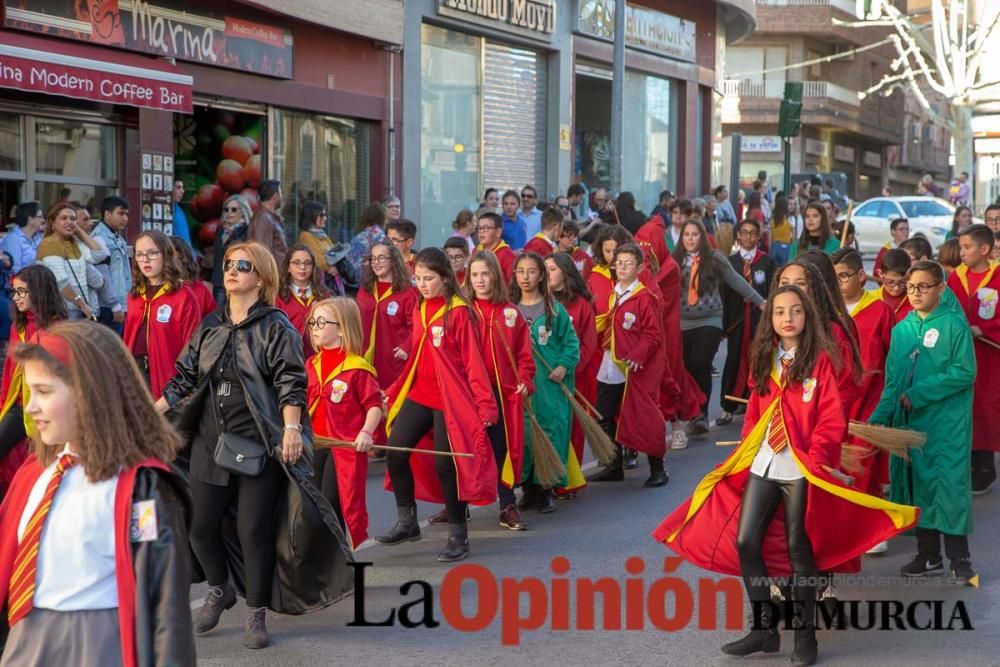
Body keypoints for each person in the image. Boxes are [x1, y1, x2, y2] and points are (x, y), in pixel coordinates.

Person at [653, 285, 918, 667]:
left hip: (801, 467)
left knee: (800, 550)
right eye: (779, 312)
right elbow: (756, 411)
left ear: (807, 316)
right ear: (771, 320)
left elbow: (831, 415)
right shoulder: (765, 358)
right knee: (746, 542)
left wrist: (820, 456)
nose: (787, 318)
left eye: (795, 311)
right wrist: (746, 447)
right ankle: (764, 629)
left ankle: (805, 636)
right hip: (764, 462)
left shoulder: (819, 362)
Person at [158, 241, 353, 650]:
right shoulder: (211, 326)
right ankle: (219, 589)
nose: (231, 271)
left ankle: (256, 613)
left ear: (261, 277)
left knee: (253, 531)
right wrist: (149, 415)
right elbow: (183, 379)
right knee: (200, 528)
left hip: (260, 443)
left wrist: (291, 430)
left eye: (242, 266)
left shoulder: (275, 325)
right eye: (228, 264)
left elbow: (290, 382)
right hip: (210, 443)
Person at [0, 321, 195, 665]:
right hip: (24, 641)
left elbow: (167, 609)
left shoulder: (141, 488)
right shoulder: (32, 475)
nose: (30, 407)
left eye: (44, 392)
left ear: (90, 392)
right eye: (30, 393)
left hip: (98, 644)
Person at [376, 248, 498, 562]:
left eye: (429, 279)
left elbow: (474, 364)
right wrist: (395, 388)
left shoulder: (459, 312)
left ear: (445, 279)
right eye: (418, 279)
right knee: (396, 450)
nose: (422, 284)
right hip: (420, 393)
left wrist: (486, 407)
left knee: (447, 465)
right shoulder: (419, 307)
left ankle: (459, 535)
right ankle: (407, 521)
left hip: (451, 399)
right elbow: (418, 355)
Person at [870, 260, 977, 585]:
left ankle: (960, 559)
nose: (915, 293)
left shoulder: (953, 326)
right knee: (917, 487)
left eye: (923, 287)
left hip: (946, 426)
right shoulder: (902, 329)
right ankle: (927, 554)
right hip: (910, 426)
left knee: (948, 488)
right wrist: (877, 419)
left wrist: (921, 393)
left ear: (940, 289)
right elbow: (892, 382)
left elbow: (964, 372)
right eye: (911, 286)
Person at [585, 243, 668, 488]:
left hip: (634, 368)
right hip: (611, 363)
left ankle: (658, 468)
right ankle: (613, 464)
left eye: (628, 263)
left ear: (640, 267)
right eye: (618, 262)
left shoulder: (644, 298)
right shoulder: (614, 293)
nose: (621, 267)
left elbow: (653, 334)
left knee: (645, 417)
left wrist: (638, 355)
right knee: (604, 413)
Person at [305, 297, 382, 549]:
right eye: (312, 322)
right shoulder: (311, 365)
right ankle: (325, 561)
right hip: (316, 444)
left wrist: (366, 432)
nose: (314, 327)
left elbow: (374, 406)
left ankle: (338, 561)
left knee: (333, 503)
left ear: (341, 328)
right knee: (313, 503)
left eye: (321, 322)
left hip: (345, 448)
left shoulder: (357, 368)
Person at [675, 220, 765, 434]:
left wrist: (760, 301)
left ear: (702, 237)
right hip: (683, 322)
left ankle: (702, 414)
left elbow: (736, 280)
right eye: (686, 234)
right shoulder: (674, 260)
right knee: (687, 366)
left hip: (710, 320)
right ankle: (693, 411)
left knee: (700, 362)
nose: (690, 238)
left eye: (694, 234)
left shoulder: (714, 259)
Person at [466, 252, 534, 529]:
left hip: (501, 394)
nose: (481, 280)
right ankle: (456, 505)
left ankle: (507, 505)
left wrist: (525, 381)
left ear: (495, 274)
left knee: (500, 449)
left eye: (485, 273)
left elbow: (524, 356)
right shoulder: (463, 312)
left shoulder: (511, 312)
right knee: (464, 447)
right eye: (475, 275)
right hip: (468, 393)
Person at [511, 252, 579, 513]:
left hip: (549, 387)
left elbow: (571, 343)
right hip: (521, 386)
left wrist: (563, 366)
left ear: (541, 276)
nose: (525, 277)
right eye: (520, 272)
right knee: (525, 436)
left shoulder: (554, 309)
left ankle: (547, 488)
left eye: (531, 272)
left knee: (551, 433)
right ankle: (528, 488)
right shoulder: (510, 310)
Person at [831, 248, 896, 515]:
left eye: (844, 276)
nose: (838, 283)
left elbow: (893, 356)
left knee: (864, 461)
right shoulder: (828, 312)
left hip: (870, 399)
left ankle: (868, 517)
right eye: (833, 277)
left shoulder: (880, 310)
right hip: (834, 400)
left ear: (861, 275)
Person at [0, 266, 66, 498]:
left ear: (38, 292)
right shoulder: (17, 326)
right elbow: (9, 372)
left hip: (43, 407)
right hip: (17, 405)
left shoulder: (56, 329)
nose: (16, 298)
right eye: (14, 292)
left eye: (21, 292)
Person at [947, 224, 1000, 494]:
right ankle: (965, 465)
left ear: (985, 249)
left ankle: (986, 467)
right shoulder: (955, 278)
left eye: (968, 247)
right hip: (960, 356)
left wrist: (984, 329)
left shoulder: (999, 276)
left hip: (990, 357)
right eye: (961, 246)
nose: (962, 252)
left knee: (985, 410)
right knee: (962, 409)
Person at [124, 230, 202, 400]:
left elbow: (192, 348)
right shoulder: (135, 296)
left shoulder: (183, 296)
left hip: (168, 377)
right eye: (139, 254)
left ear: (166, 255)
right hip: (136, 374)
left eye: (152, 253)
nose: (145, 259)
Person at [357, 241, 419, 445]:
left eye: (381, 258)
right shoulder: (365, 290)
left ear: (393, 260)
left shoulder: (407, 293)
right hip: (366, 359)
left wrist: (407, 347)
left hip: (393, 359)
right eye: (373, 258)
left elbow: (417, 327)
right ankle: (376, 441)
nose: (376, 263)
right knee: (370, 399)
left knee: (391, 400)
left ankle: (393, 443)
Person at [546, 252, 595, 497]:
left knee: (570, 427)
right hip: (543, 377)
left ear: (565, 272)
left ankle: (568, 480)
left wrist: (568, 367)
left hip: (573, 377)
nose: (547, 274)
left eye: (552, 269)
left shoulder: (581, 305)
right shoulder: (539, 301)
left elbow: (587, 344)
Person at [719, 219, 775, 425]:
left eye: (753, 233)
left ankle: (754, 403)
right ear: (738, 236)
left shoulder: (766, 262)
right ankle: (727, 407)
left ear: (759, 237)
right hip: (736, 319)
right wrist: (723, 325)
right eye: (744, 233)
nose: (749, 237)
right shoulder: (730, 262)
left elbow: (771, 290)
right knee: (733, 358)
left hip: (758, 320)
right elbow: (723, 293)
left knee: (758, 359)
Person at [36, 202, 104, 321]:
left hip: (77, 309)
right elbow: (61, 282)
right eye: (63, 218)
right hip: (62, 311)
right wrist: (82, 305)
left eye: (73, 219)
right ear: (52, 223)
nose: (69, 221)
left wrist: (77, 230)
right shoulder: (49, 244)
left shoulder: (73, 243)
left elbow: (99, 254)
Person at [275, 244, 332, 359]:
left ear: (313, 267)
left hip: (318, 355)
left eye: (307, 263)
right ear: (288, 267)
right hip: (288, 356)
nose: (302, 267)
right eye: (296, 263)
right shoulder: (278, 296)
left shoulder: (324, 295)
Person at [91, 196, 132, 333]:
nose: (125, 218)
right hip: (109, 307)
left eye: (127, 214)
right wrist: (115, 305)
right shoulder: (99, 238)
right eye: (121, 213)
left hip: (120, 303)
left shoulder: (117, 237)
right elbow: (103, 275)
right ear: (107, 214)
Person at [211, 194, 252, 305]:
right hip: (219, 281)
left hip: (238, 280)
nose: (229, 213)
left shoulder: (247, 231)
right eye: (226, 209)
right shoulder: (220, 230)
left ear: (243, 211)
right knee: (218, 315)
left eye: (233, 210)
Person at [297, 200, 342, 287]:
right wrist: (331, 267)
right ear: (311, 216)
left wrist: (337, 267)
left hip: (331, 281)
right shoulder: (306, 236)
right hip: (319, 282)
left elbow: (336, 256)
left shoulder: (323, 235)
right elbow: (319, 261)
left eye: (325, 215)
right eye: (321, 215)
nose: (325, 218)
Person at [171, 235, 217, 317]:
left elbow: (212, 322)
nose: (171, 265)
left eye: (177, 259)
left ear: (185, 260)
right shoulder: (154, 290)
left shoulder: (201, 290)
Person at [347, 202, 389, 288]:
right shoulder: (378, 235)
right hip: (372, 280)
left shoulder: (358, 235)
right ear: (382, 218)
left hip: (356, 280)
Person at [249, 180, 288, 266]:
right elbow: (262, 253)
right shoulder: (264, 218)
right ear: (275, 196)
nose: (282, 197)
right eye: (281, 193)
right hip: (272, 275)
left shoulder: (267, 217)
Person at [475, 211, 517, 282]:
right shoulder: (475, 251)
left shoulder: (507, 255)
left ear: (498, 232)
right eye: (479, 228)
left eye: (486, 228)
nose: (481, 231)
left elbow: (514, 283)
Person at [2, 202, 43, 273]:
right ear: (30, 220)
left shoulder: (38, 236)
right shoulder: (13, 240)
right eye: (40, 217)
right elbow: (15, 272)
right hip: (24, 282)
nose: (43, 220)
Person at [877, 248, 914, 322]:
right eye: (890, 282)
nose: (896, 288)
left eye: (902, 282)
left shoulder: (915, 300)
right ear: (880, 274)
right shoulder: (872, 300)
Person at [873, 218, 910, 282]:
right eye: (901, 229)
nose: (905, 231)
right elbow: (877, 272)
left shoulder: (911, 248)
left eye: (907, 229)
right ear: (893, 232)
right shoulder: (886, 250)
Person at [769, 195, 793, 266]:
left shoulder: (773, 221)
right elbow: (793, 236)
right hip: (786, 246)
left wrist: (771, 247)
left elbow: (771, 236)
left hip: (775, 245)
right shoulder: (790, 219)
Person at [171, 179, 193, 247]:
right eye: (178, 188)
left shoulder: (180, 211)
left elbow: (186, 239)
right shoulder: (169, 211)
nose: (182, 191)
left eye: (182, 188)